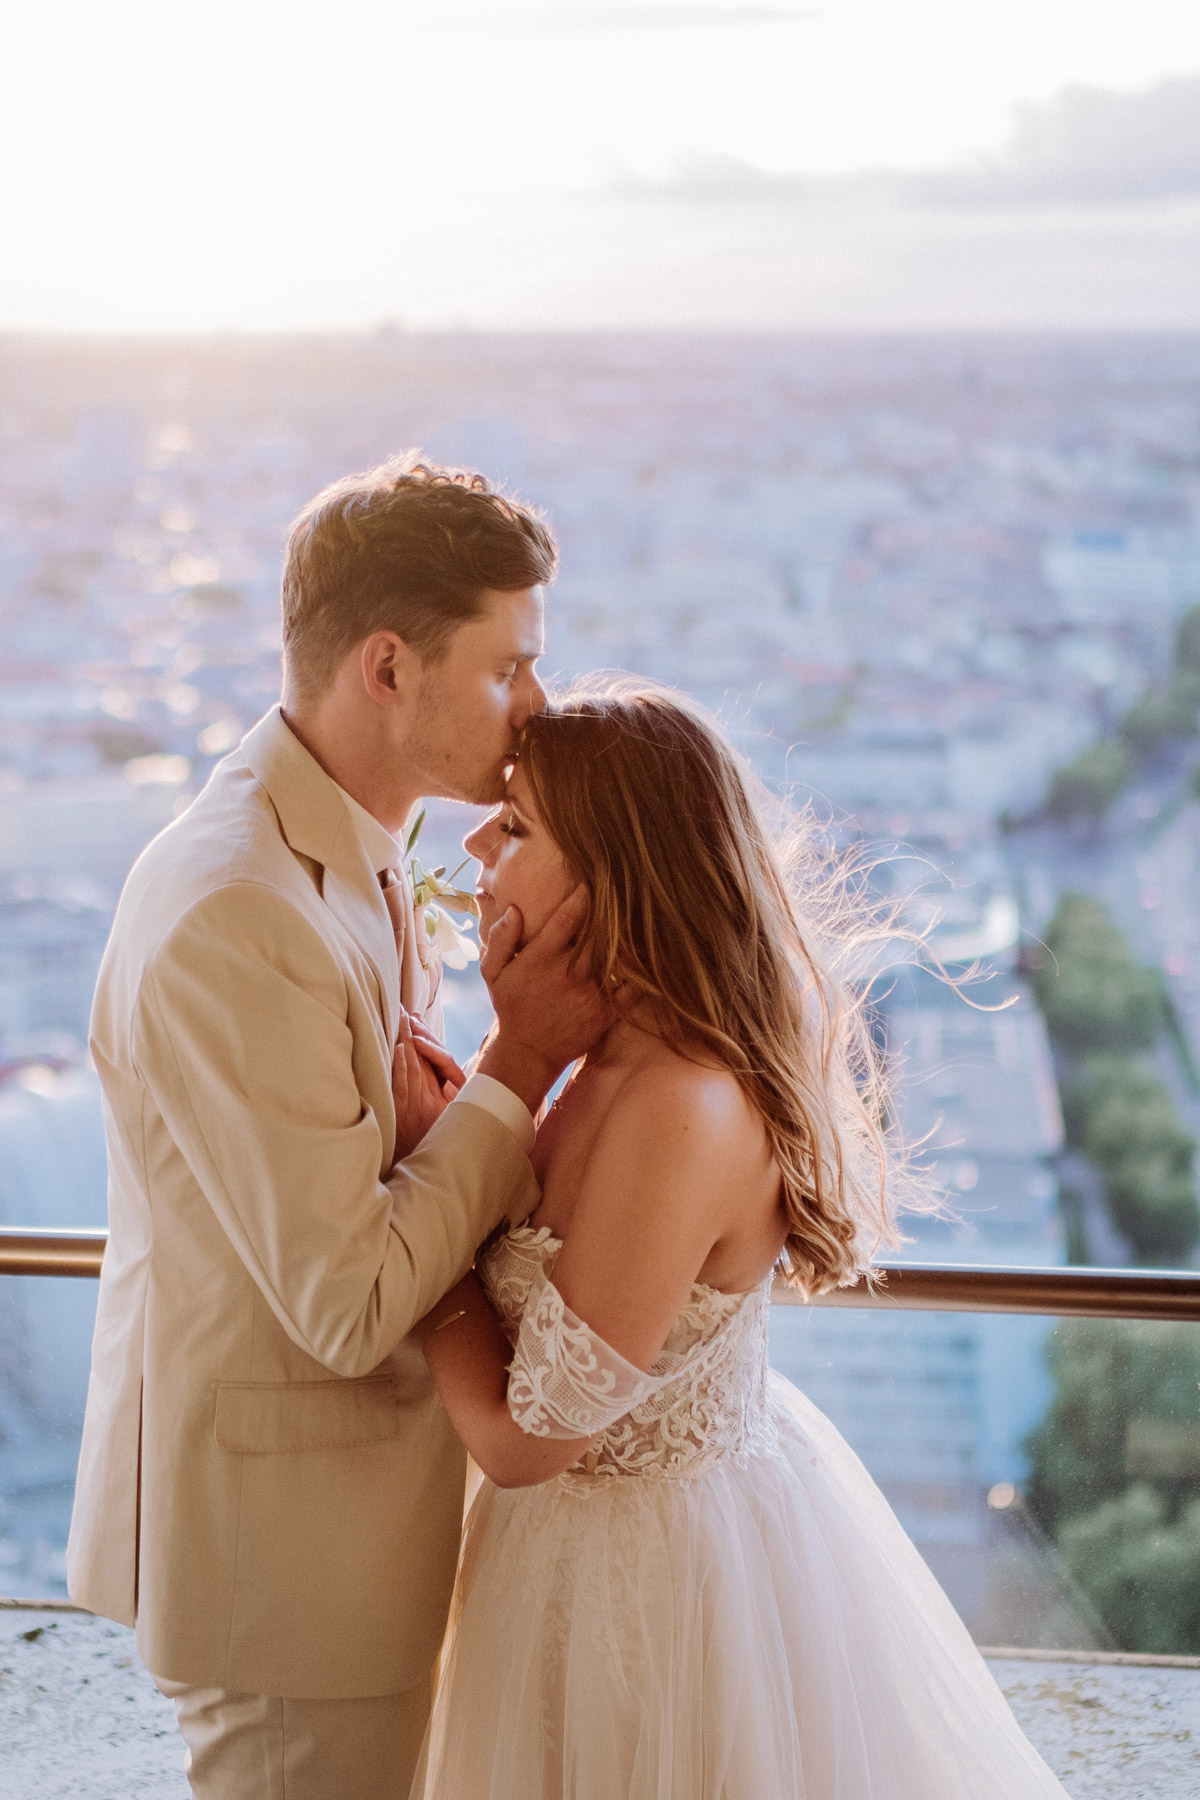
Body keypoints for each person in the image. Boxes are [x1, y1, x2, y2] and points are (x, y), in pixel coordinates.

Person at [408, 677, 1071, 1799]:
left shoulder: (683, 1103)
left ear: (615, 878)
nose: (474, 834)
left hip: (644, 1592)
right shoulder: (606, 1042)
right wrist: (502, 1067)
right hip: (577, 1559)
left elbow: (532, 1442)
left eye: (517, 827)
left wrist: (414, 1262)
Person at [67, 456, 610, 1800]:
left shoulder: (349, 842)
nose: (538, 707)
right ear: (387, 667)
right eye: (508, 668)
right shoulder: (235, 908)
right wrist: (522, 1059)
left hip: (359, 1525)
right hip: (288, 1567)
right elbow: (350, 1298)